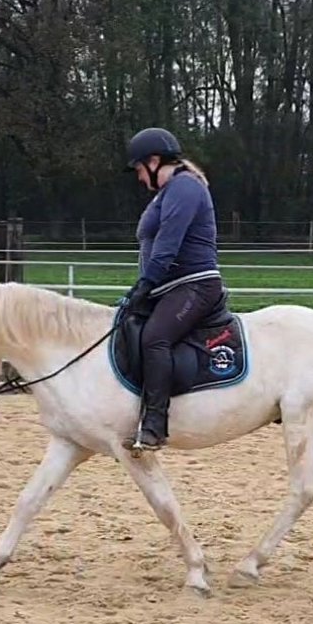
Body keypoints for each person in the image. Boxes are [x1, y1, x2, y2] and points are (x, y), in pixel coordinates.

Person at [121, 127, 225, 452]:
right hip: (169, 287)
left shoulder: (184, 188)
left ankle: (155, 424)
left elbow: (168, 244)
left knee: (156, 337)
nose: (139, 177)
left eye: (139, 169)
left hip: (194, 284)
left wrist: (146, 283)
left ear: (153, 161)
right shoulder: (167, 192)